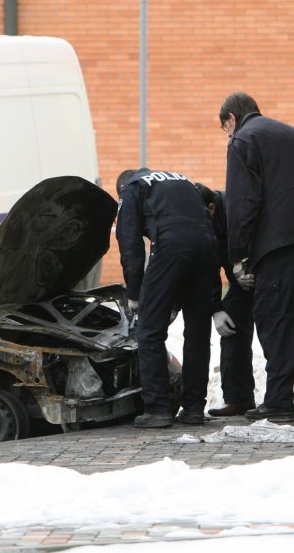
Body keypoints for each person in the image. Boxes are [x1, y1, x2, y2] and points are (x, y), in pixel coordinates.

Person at [220, 92, 294, 421]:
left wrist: (239, 255)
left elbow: (243, 203)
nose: (227, 136)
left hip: (278, 244)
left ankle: (278, 401)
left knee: (277, 321)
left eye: (225, 129)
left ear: (231, 119)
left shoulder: (243, 141)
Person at [116, 168, 217, 427]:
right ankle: (194, 407)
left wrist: (135, 293)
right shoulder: (179, 178)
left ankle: (158, 409)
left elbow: (130, 243)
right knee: (197, 330)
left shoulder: (131, 188)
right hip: (207, 243)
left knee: (149, 330)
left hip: (173, 243)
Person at [195, 183, 256, 416]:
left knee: (279, 332)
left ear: (212, 208)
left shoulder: (237, 209)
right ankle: (239, 398)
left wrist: (249, 266)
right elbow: (208, 267)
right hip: (240, 281)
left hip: (267, 271)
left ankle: (283, 398)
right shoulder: (202, 222)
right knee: (231, 323)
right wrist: (215, 309)